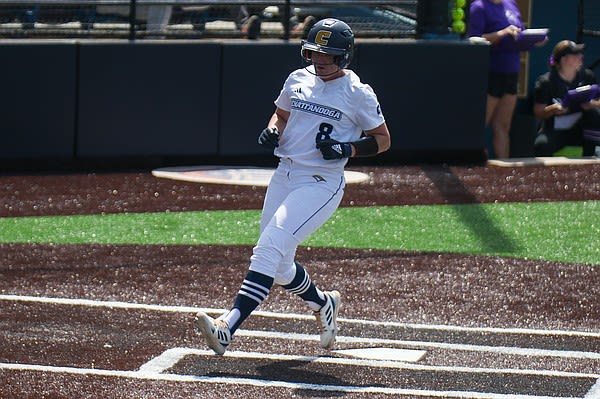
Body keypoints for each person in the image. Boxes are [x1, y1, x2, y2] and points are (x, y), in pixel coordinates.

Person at [195, 18, 391, 355]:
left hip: (320, 181)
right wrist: (272, 129)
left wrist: (349, 148)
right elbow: (281, 115)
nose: (319, 60)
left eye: (327, 55)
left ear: (343, 56)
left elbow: (383, 140)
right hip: (284, 173)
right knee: (280, 264)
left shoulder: (357, 92)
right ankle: (323, 304)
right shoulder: (297, 79)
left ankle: (228, 326)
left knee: (268, 248)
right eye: (314, 52)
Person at [468, 0, 525, 159]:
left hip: (511, 71)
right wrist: (502, 33)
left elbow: (519, 33)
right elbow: (473, 39)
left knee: (503, 125)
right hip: (490, 71)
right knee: (479, 126)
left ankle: (504, 169)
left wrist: (532, 39)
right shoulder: (479, 7)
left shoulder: (511, 4)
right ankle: (472, 166)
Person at [533, 40, 600, 157]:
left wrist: (592, 104)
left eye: (580, 53)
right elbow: (538, 112)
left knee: (594, 114)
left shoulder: (588, 76)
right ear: (564, 59)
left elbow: (598, 102)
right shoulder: (546, 81)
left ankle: (590, 160)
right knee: (541, 145)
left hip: (581, 129)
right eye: (575, 54)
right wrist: (553, 109)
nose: (581, 57)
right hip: (556, 130)